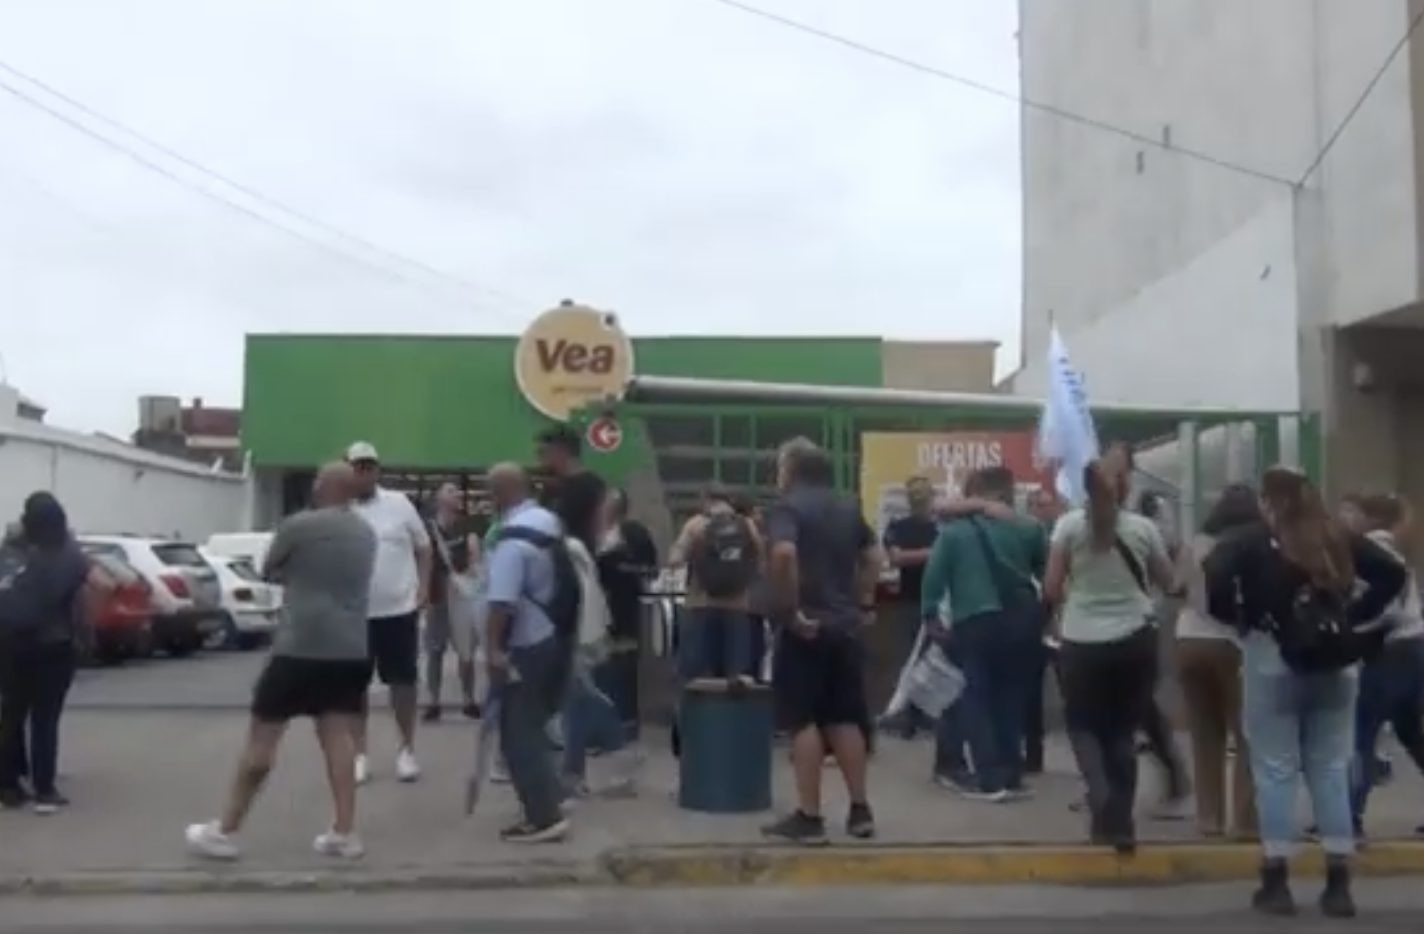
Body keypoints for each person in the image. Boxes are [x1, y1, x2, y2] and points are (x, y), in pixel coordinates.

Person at [1205, 466, 1406, 918]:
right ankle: (1338, 883)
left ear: (1268, 501)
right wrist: (1354, 614)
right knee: (1331, 769)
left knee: (1275, 770)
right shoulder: (1337, 537)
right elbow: (1393, 573)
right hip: (1337, 664)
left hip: (1271, 661)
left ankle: (1276, 881)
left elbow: (1214, 577)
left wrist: (1241, 619)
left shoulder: (1252, 541)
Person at [185, 463, 376, 859]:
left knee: (262, 741)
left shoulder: (298, 526)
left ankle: (224, 829)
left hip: (299, 646)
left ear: (323, 487)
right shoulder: (366, 533)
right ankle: (344, 831)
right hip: (349, 647)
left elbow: (269, 568)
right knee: (338, 739)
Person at [1044, 459, 1174, 853]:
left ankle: (1099, 795)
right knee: (1122, 731)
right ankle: (1121, 824)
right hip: (1135, 638)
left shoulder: (1068, 527)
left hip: (1081, 640)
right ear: (1124, 489)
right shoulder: (1144, 528)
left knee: (1083, 726)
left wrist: (1077, 599)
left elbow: (1051, 588)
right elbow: (1168, 582)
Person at [761, 438, 879, 845]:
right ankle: (860, 809)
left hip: (806, 628)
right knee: (844, 718)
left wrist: (791, 611)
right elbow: (874, 555)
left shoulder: (788, 508)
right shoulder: (847, 506)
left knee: (803, 721)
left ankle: (809, 816)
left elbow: (783, 556)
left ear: (791, 470)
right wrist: (863, 602)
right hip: (844, 626)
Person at [920, 466, 1047, 801]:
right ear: (1009, 490)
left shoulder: (954, 532)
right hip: (1021, 620)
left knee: (977, 696)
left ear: (975, 492)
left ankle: (989, 776)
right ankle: (1012, 773)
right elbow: (1047, 574)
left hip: (975, 618)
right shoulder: (1029, 527)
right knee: (1010, 697)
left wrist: (931, 613)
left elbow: (934, 577)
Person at [0, 493, 109, 813]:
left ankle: (8, 785)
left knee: (10, 715)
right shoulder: (69, 554)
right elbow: (104, 584)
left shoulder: (9, 551)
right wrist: (86, 625)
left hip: (9, 645)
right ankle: (44, 789)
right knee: (45, 720)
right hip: (54, 645)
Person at [484, 462, 573, 842]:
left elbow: (501, 602)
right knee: (536, 725)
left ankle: (543, 817)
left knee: (518, 734)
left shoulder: (512, 540)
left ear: (501, 493)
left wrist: (491, 650)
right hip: (554, 636)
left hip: (526, 644)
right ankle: (551, 795)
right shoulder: (548, 523)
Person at [1174, 483, 1259, 839]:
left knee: (1204, 734)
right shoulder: (1254, 544)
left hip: (1188, 640)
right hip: (1234, 644)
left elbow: (1175, 585)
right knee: (1246, 735)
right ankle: (1244, 821)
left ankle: (1208, 817)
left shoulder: (1196, 543)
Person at [346, 442, 433, 785]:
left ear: (377, 470)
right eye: (357, 466)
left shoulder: (398, 504)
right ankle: (359, 754)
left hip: (399, 609)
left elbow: (423, 547)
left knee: (403, 683)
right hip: (354, 613)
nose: (364, 472)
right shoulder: (341, 508)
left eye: (370, 466)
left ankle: (406, 750)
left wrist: (424, 588)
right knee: (354, 686)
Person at [1349, 493, 1424, 832]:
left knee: (1361, 733)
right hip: (1414, 646)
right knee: (1410, 732)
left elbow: (1384, 608)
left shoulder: (1368, 551)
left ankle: (1348, 814)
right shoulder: (1390, 551)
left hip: (1390, 652)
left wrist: (1351, 626)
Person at [669, 483, 763, 682]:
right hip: (738, 609)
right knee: (735, 679)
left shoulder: (695, 525)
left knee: (698, 679)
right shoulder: (747, 525)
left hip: (701, 606)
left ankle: (701, 713)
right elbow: (761, 562)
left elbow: (675, 560)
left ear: (705, 500)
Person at [879, 475, 939, 739]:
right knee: (911, 661)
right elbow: (896, 558)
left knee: (931, 663)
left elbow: (901, 556)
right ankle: (908, 717)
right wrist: (933, 553)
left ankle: (923, 716)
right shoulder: (899, 527)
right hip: (911, 600)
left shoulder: (940, 529)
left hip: (933, 600)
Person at [422, 482, 481, 723]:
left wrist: (474, 555)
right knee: (434, 651)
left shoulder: (467, 526)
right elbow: (421, 558)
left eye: (457, 491)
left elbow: (475, 559)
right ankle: (433, 701)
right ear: (438, 499)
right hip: (436, 596)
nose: (456, 494)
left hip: (461, 596)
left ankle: (469, 699)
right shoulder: (426, 529)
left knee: (466, 651)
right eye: (449, 490)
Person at [536, 424, 608, 552]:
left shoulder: (590, 486)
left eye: (543, 452)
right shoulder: (550, 487)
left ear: (562, 451)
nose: (539, 458)